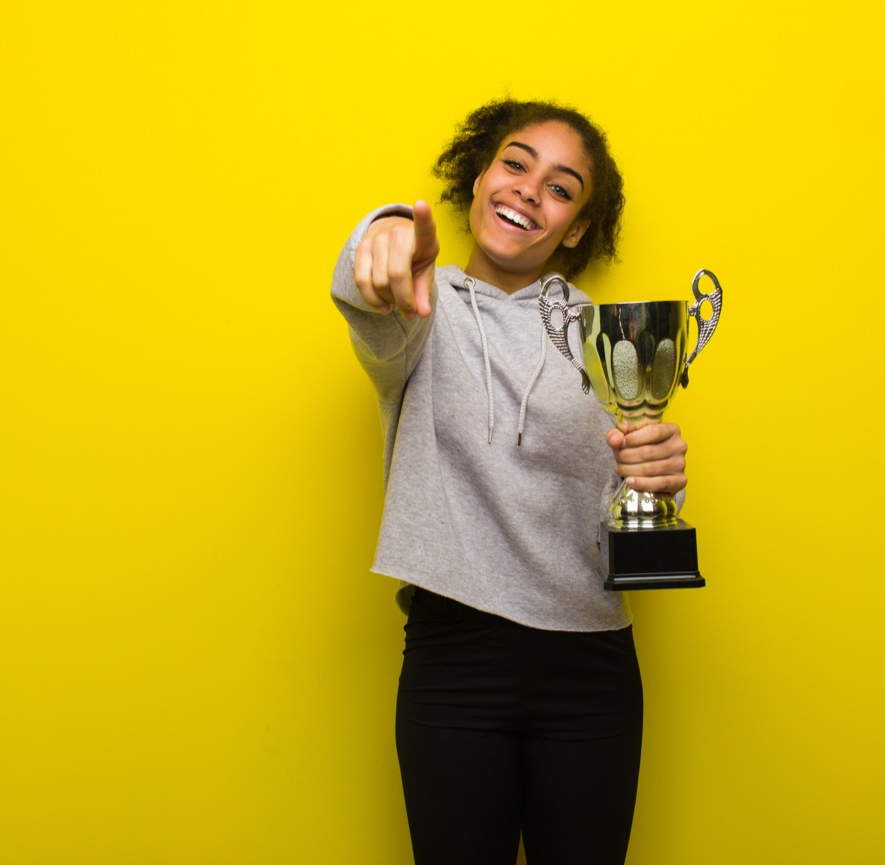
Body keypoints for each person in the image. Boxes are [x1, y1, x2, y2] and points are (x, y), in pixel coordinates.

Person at [331, 99, 689, 865]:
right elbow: (366, 290)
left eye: (562, 189)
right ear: (480, 179)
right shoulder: (423, 309)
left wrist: (657, 480)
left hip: (591, 669)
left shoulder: (607, 333)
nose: (531, 190)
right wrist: (385, 232)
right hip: (455, 657)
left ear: (577, 228)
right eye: (516, 164)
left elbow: (618, 512)